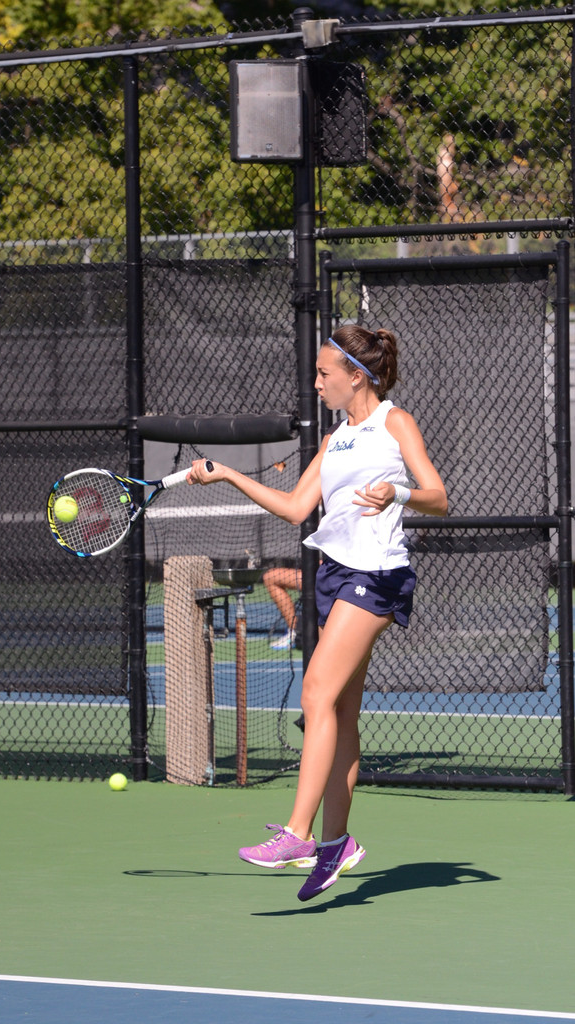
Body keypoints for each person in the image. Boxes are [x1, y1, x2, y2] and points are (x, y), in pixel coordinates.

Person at [189, 325, 447, 902]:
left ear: (357, 375)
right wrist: (230, 475)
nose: (316, 382)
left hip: (375, 575)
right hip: (333, 574)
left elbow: (438, 493)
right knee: (342, 714)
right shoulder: (336, 439)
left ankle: (298, 834)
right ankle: (337, 843)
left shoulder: (394, 423)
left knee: (315, 696)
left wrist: (396, 493)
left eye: (324, 373)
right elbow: (296, 508)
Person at [263, 566, 302, 649]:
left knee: (270, 578)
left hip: (327, 575)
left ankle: (295, 632)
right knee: (270, 576)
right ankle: (295, 632)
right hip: (320, 571)